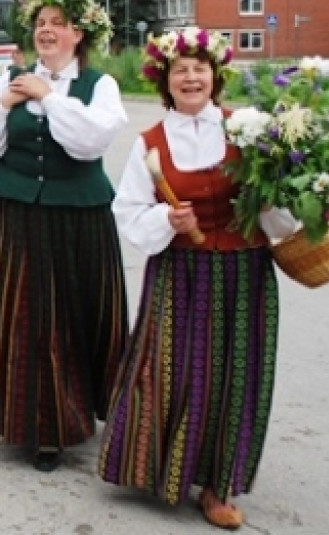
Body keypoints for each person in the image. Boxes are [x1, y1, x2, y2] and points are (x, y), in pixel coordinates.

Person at [98, 28, 298, 530]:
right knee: (174, 371)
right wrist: (167, 219)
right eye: (180, 70)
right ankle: (161, 467)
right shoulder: (150, 143)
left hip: (245, 272)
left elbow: (283, 216)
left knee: (236, 377)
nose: (191, 77)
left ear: (215, 76)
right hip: (180, 272)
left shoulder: (248, 131)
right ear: (165, 81)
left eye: (200, 68)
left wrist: (269, 204)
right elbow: (128, 211)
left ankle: (217, 484)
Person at [0, 0, 128, 472]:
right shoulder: (11, 79)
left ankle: (78, 408)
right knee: (24, 316)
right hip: (16, 215)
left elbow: (90, 143)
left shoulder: (99, 86)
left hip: (77, 217)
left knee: (75, 313)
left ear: (80, 34)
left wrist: (50, 97)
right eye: (41, 22)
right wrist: (7, 101)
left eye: (59, 22)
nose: (47, 30)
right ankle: (36, 423)